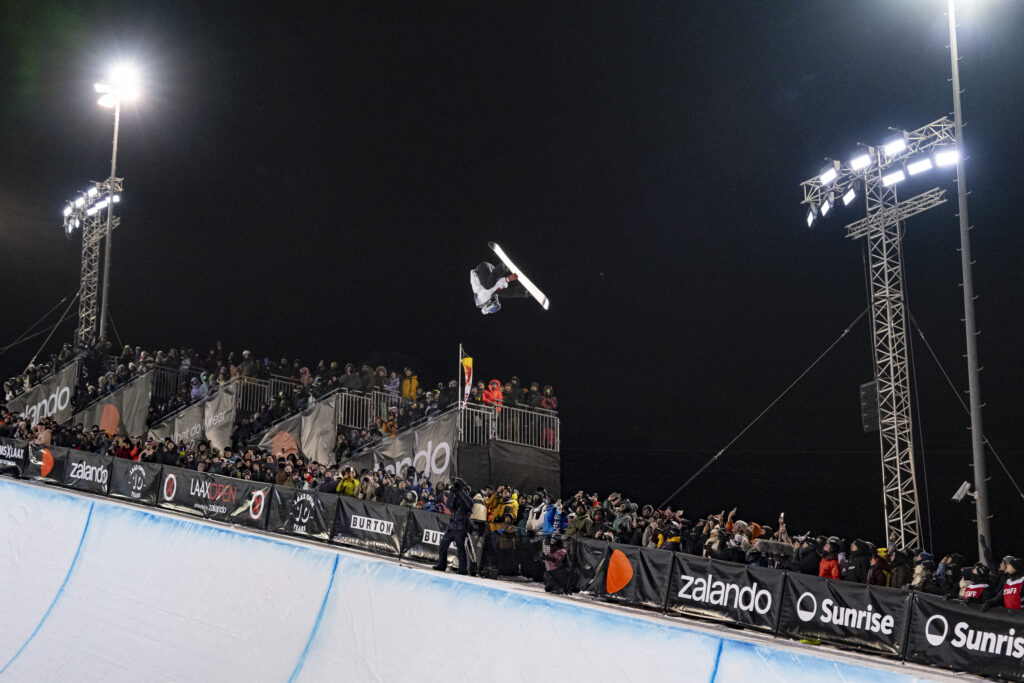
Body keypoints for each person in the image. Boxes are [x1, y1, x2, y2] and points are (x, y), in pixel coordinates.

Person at [434, 478, 474, 575]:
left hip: (461, 528)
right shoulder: (455, 499)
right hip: (451, 527)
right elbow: (448, 506)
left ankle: (463, 569)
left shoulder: (467, 499)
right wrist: (452, 492)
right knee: (443, 545)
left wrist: (460, 491)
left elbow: (470, 504)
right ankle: (441, 565)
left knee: (460, 548)